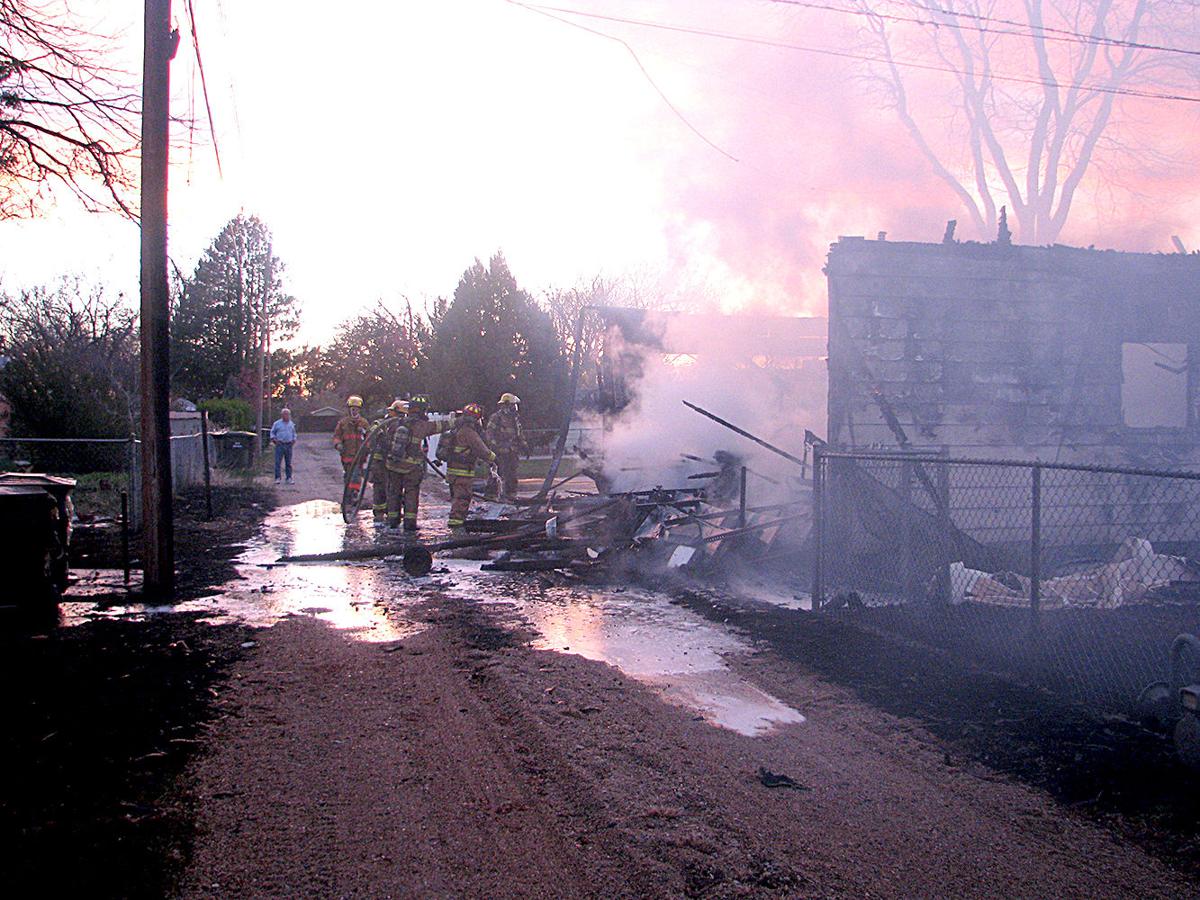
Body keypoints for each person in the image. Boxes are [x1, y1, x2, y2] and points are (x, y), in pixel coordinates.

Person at [384, 394, 451, 531]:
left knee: (393, 493)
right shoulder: (421, 426)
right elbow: (439, 426)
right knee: (411, 493)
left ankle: (392, 520)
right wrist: (457, 421)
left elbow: (385, 441)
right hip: (411, 467)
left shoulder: (395, 423)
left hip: (393, 465)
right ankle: (409, 523)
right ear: (423, 410)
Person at [441, 402, 496, 532]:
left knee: (457, 498)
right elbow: (481, 450)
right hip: (463, 473)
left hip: (453, 471)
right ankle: (456, 527)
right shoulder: (468, 432)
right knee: (462, 498)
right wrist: (494, 458)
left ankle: (456, 522)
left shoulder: (456, 429)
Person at [484, 392, 527, 500]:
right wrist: (495, 448)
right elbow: (489, 435)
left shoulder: (515, 419)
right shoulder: (496, 418)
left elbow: (519, 434)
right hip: (500, 453)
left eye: (514, 405)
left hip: (512, 452)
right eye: (512, 405)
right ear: (506, 405)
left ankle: (510, 496)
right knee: (497, 475)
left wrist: (524, 446)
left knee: (512, 474)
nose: (514, 408)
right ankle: (491, 496)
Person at [370, 400, 406, 523]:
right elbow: (372, 432)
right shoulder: (381, 424)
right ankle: (379, 513)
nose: (402, 418)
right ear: (392, 412)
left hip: (394, 462)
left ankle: (392, 514)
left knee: (393, 488)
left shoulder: (403, 426)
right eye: (400, 414)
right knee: (380, 486)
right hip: (380, 461)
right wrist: (381, 436)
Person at [332, 395, 370, 475]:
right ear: (349, 409)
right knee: (348, 476)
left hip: (360, 456)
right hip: (346, 455)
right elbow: (337, 436)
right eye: (352, 409)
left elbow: (369, 437)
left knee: (355, 476)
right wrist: (338, 444)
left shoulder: (364, 423)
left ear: (359, 410)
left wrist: (367, 448)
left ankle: (354, 488)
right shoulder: (343, 423)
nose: (354, 411)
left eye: (356, 409)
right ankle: (348, 487)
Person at [270, 408, 297, 484]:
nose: (287, 416)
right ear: (282, 415)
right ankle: (277, 478)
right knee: (278, 462)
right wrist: (274, 440)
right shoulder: (277, 424)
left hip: (289, 445)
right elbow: (272, 432)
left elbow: (294, 433)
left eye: (288, 414)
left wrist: (294, 439)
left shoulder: (291, 424)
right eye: (285, 414)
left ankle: (289, 478)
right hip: (280, 445)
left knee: (288, 463)